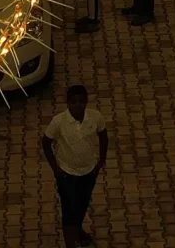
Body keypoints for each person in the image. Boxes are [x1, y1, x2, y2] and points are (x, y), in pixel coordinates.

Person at [41, 83, 108, 247]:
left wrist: (100, 161)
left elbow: (104, 137)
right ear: (68, 103)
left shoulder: (95, 117)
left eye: (81, 101)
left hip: (89, 172)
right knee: (69, 210)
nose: (78, 105)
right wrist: (56, 169)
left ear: (86, 102)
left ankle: (78, 231)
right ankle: (71, 242)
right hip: (67, 174)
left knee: (82, 204)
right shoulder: (59, 122)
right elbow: (46, 142)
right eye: (74, 101)